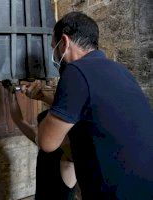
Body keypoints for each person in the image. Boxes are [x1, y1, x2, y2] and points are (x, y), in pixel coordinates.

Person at [36, 11, 153, 199]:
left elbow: (47, 143)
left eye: (54, 47)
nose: (55, 54)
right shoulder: (119, 69)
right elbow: (90, 110)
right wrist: (44, 97)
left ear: (64, 42)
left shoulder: (75, 71)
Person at [6, 83, 77, 200]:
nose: (41, 130)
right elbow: (18, 120)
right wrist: (11, 92)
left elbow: (73, 117)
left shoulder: (69, 156)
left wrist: (44, 97)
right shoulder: (42, 141)